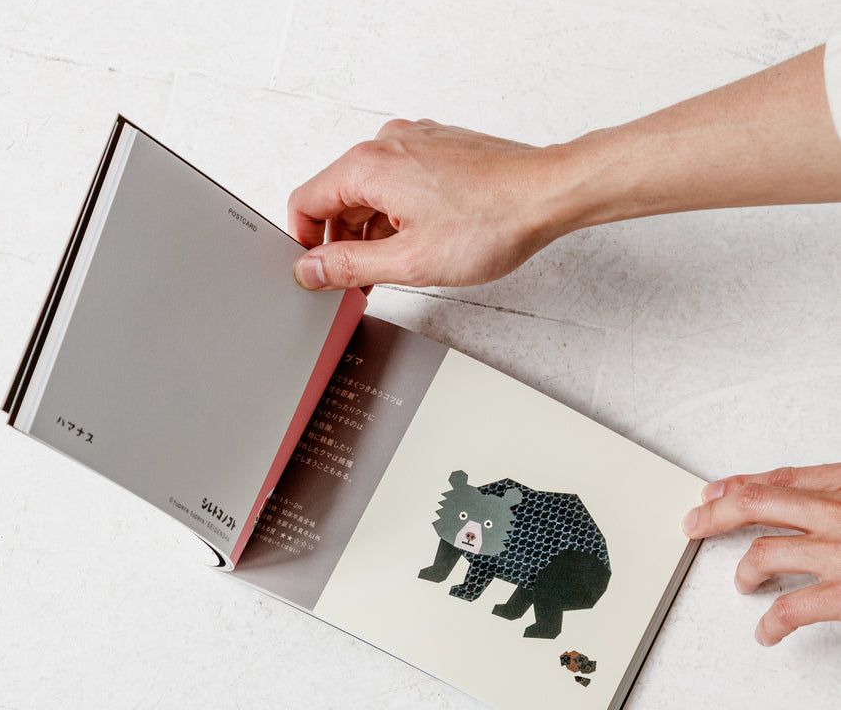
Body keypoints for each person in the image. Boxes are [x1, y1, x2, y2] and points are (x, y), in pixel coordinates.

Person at [287, 37, 841, 648]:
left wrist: (544, 182)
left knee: (528, 585)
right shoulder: (483, 518)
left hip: (563, 566)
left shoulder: (524, 533)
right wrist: (540, 184)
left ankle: (538, 619)